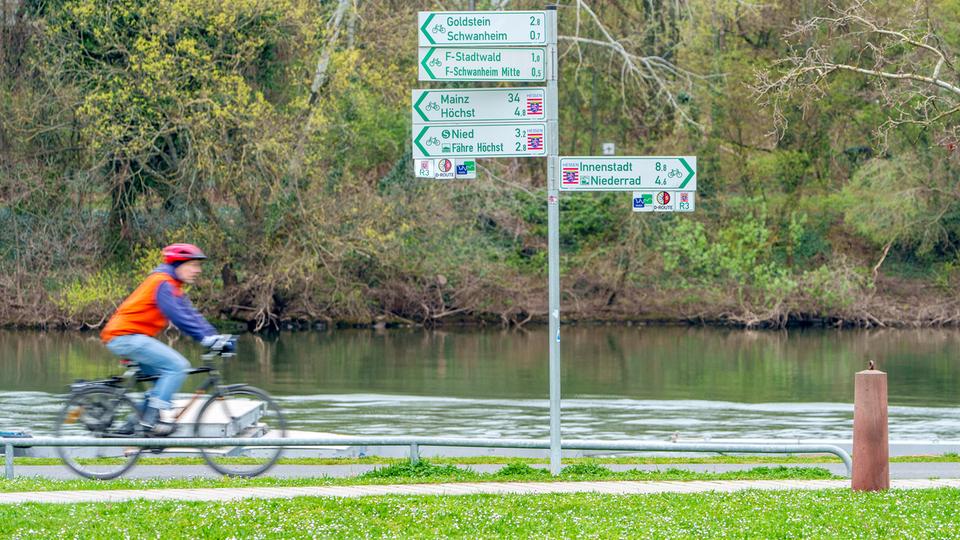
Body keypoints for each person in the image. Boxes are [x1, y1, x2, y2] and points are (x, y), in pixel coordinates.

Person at [100, 243, 235, 436]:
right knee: (178, 366)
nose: (197, 271)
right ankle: (151, 424)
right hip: (126, 336)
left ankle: (133, 424)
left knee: (160, 384)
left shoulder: (172, 286)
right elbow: (179, 317)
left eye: (199, 266)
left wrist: (214, 336)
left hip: (129, 337)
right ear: (178, 264)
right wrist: (206, 340)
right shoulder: (163, 283)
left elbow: (192, 315)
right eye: (193, 265)